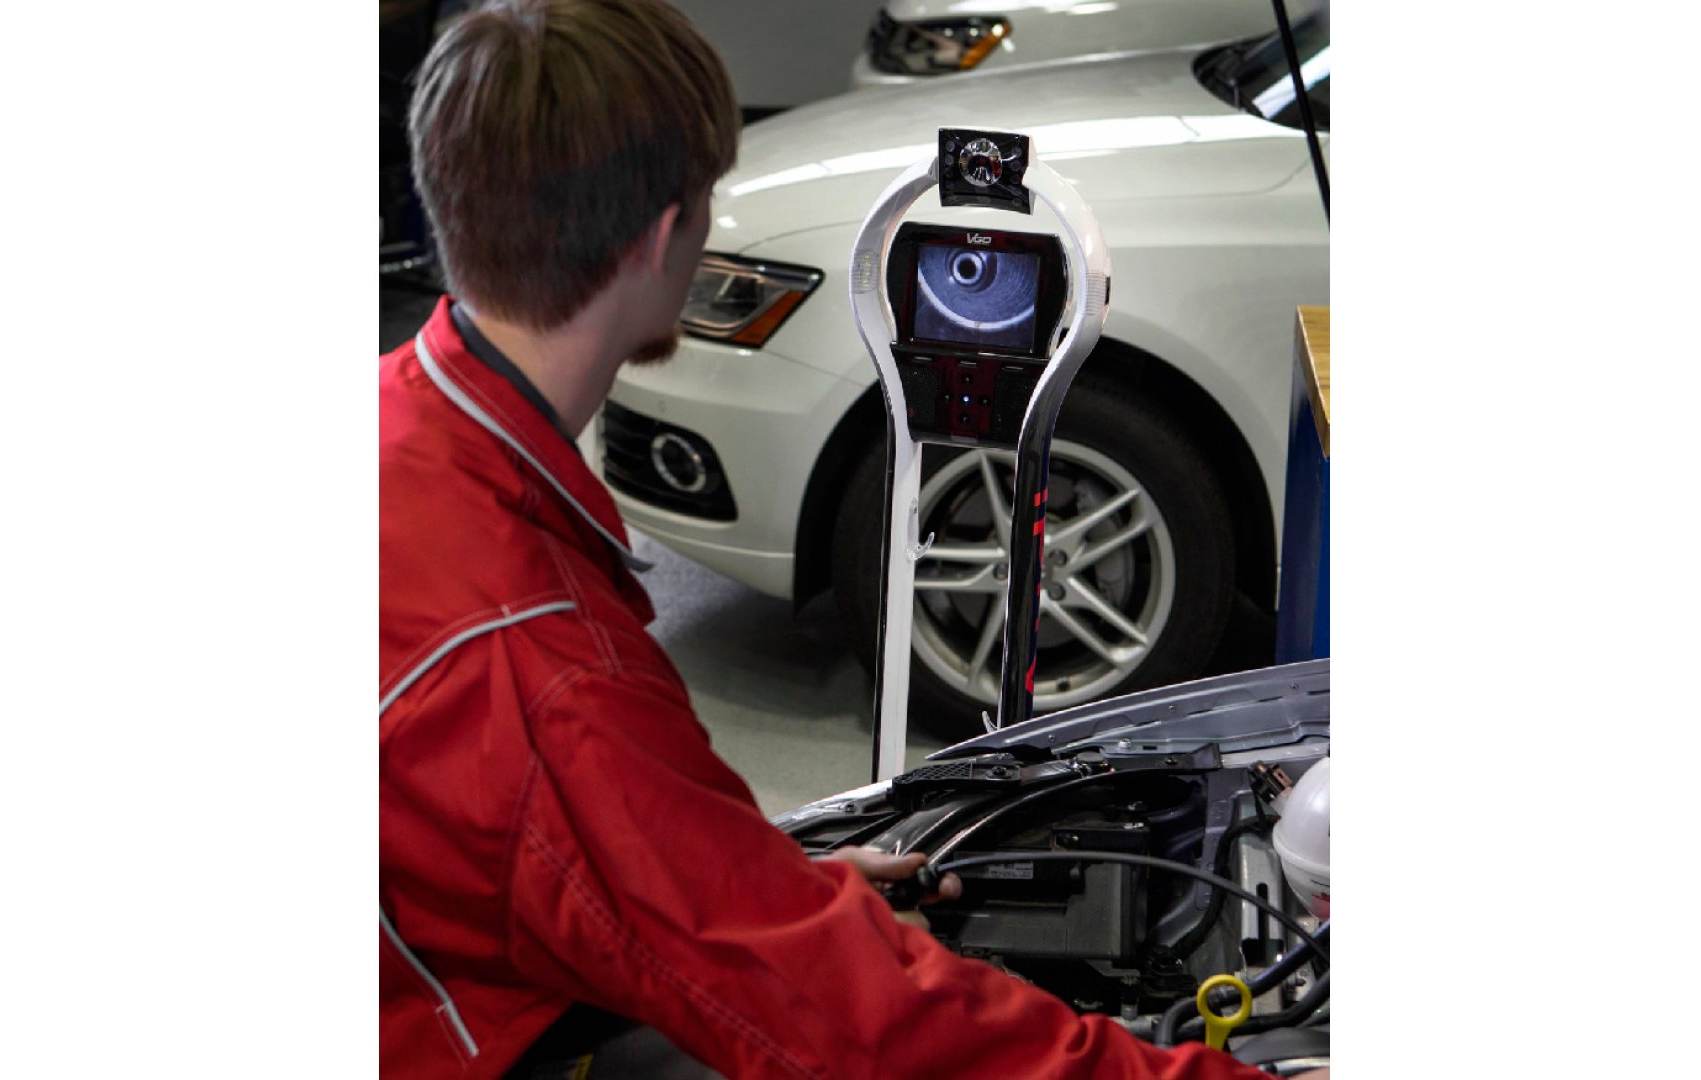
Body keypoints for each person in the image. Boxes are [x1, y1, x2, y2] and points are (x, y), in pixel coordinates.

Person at [379, 2, 1295, 1076]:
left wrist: (746, 875)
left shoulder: (401, 429)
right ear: (669, 236)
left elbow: (535, 836)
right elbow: (863, 1031)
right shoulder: (542, 671)